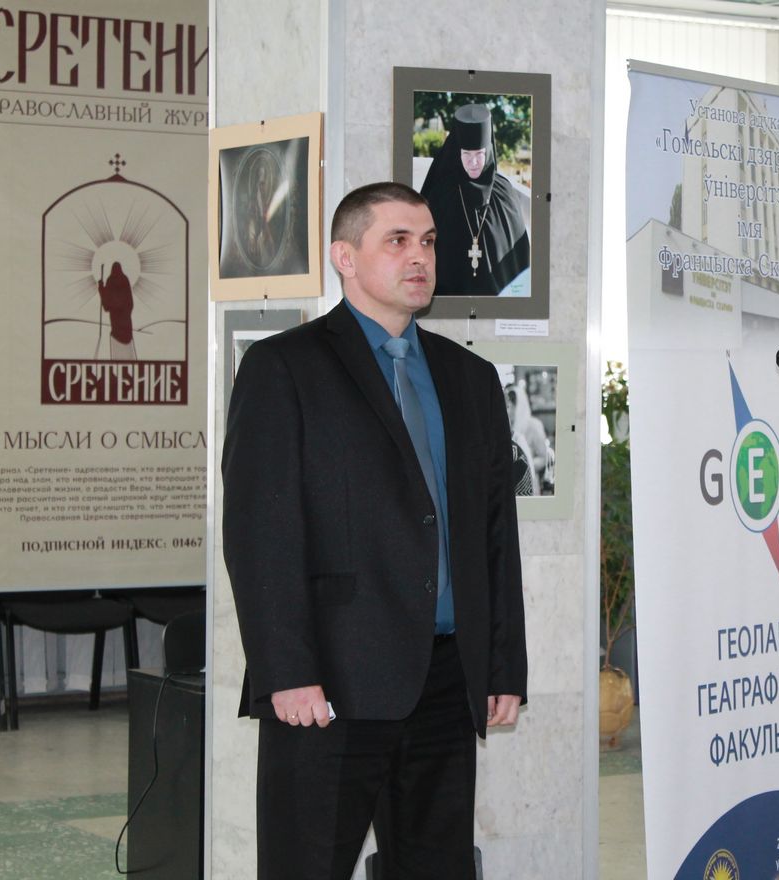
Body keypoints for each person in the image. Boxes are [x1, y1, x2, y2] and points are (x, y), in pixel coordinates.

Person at [222, 181, 527, 879]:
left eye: (428, 242)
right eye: (397, 241)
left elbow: (493, 534)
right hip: (330, 682)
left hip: (446, 679)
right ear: (345, 257)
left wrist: (500, 665)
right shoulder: (283, 367)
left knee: (436, 869)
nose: (419, 257)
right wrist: (286, 672)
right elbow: (260, 533)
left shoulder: (469, 377)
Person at [421, 103, 530, 297]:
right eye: (466, 154)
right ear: (458, 153)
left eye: (479, 154)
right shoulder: (441, 195)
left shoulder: (504, 193)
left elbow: (518, 261)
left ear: (488, 151)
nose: (473, 163)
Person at [97, 262, 136, 360]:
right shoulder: (125, 279)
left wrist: (101, 288)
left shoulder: (111, 280)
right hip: (127, 329)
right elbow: (130, 303)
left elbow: (106, 305)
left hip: (116, 331)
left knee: (117, 357)